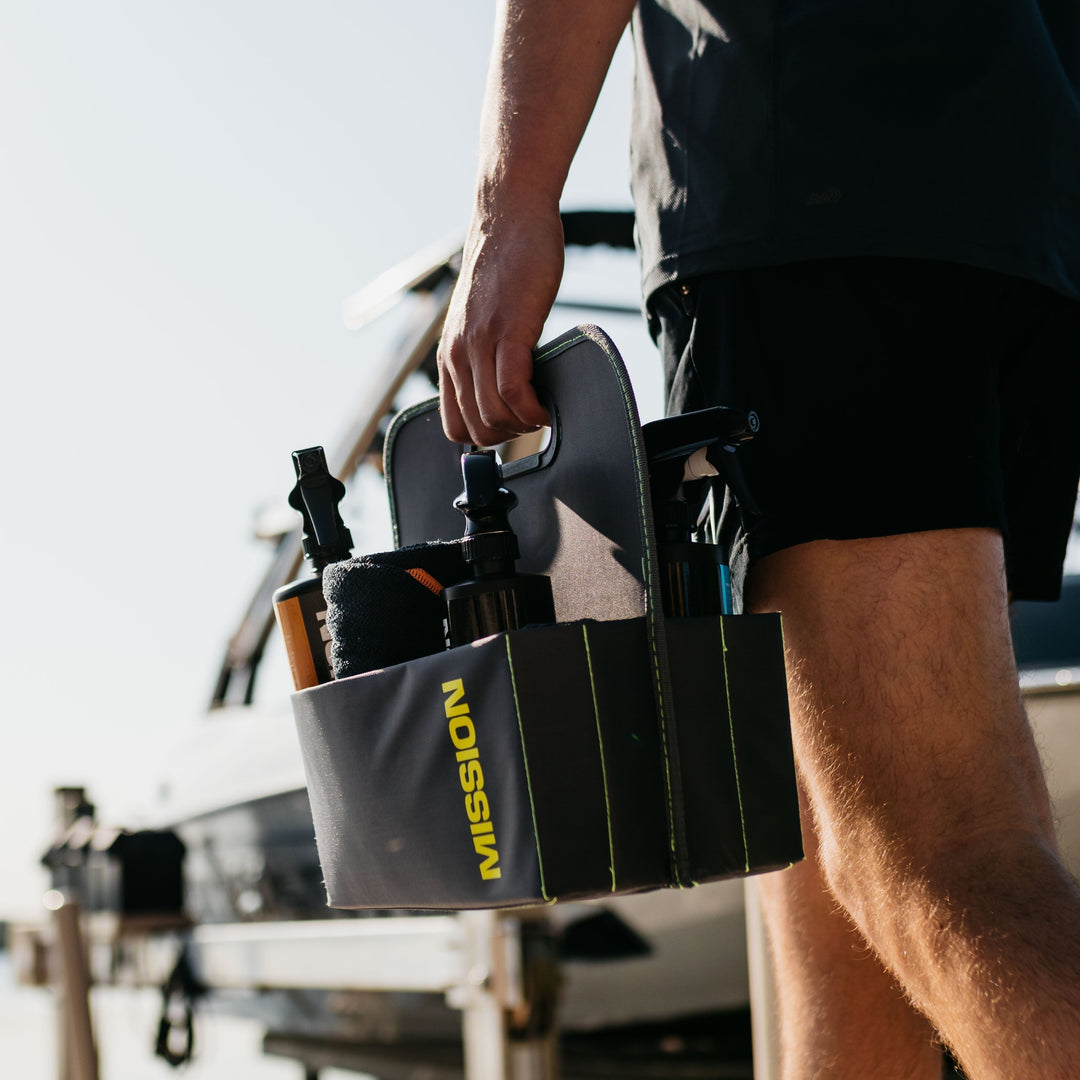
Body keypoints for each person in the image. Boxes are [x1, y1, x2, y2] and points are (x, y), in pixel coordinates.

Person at [436, 1, 1080, 1076]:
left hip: (808, 196)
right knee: (833, 863)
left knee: (932, 850)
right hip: (1011, 204)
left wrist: (511, 207)